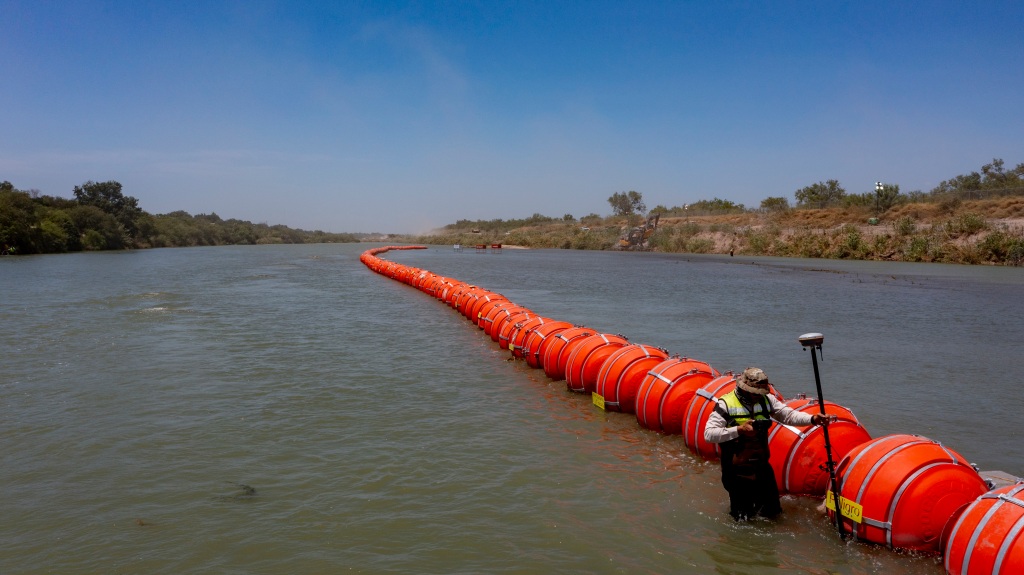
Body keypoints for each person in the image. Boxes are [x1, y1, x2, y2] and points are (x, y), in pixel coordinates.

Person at [704, 367, 835, 521]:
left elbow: (789, 416)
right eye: (755, 393)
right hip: (736, 470)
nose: (758, 397)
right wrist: (739, 430)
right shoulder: (726, 404)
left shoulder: (767, 400)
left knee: (774, 514)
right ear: (744, 389)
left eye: (761, 393)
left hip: (761, 466)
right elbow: (709, 434)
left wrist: (813, 420)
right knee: (743, 519)